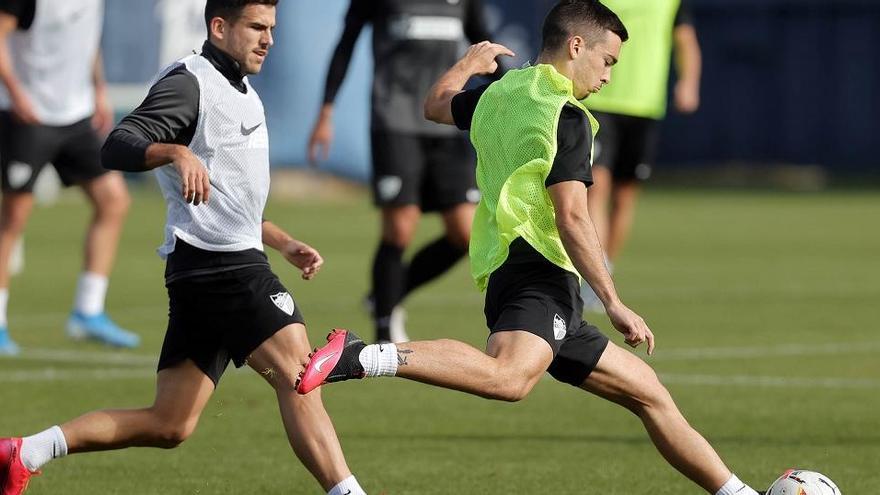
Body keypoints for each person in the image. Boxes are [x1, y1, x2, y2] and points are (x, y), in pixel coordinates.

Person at [297, 2, 763, 494]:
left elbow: (435, 104)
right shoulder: (567, 116)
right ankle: (363, 356)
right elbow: (573, 216)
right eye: (608, 61)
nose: (608, 77)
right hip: (540, 277)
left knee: (651, 396)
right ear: (576, 46)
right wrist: (613, 301)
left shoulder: (500, 93)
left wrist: (468, 63)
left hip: (513, 275)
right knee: (509, 379)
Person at [0, 2, 366, 494]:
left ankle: (25, 452)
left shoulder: (245, 93)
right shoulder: (189, 82)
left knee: (169, 424)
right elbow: (117, 143)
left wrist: (281, 241)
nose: (269, 40)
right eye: (257, 27)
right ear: (219, 26)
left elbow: (231, 204)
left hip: (208, 267)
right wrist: (174, 150)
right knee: (300, 374)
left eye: (273, 29)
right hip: (223, 269)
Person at [308, 0, 497, 343]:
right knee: (399, 230)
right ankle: (384, 330)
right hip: (395, 121)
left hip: (448, 121)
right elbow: (346, 43)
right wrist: (326, 111)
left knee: (466, 233)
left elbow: (485, 44)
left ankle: (385, 295)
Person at [0, 0, 138, 355]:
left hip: (76, 115)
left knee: (114, 201)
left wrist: (99, 88)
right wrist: (15, 94)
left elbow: (86, 39)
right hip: (27, 115)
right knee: (13, 218)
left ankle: (87, 312)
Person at [580, 0, 702, 311]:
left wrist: (689, 82)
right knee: (596, 187)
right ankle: (595, 279)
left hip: (645, 105)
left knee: (624, 197)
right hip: (600, 101)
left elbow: (685, 40)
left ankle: (605, 270)